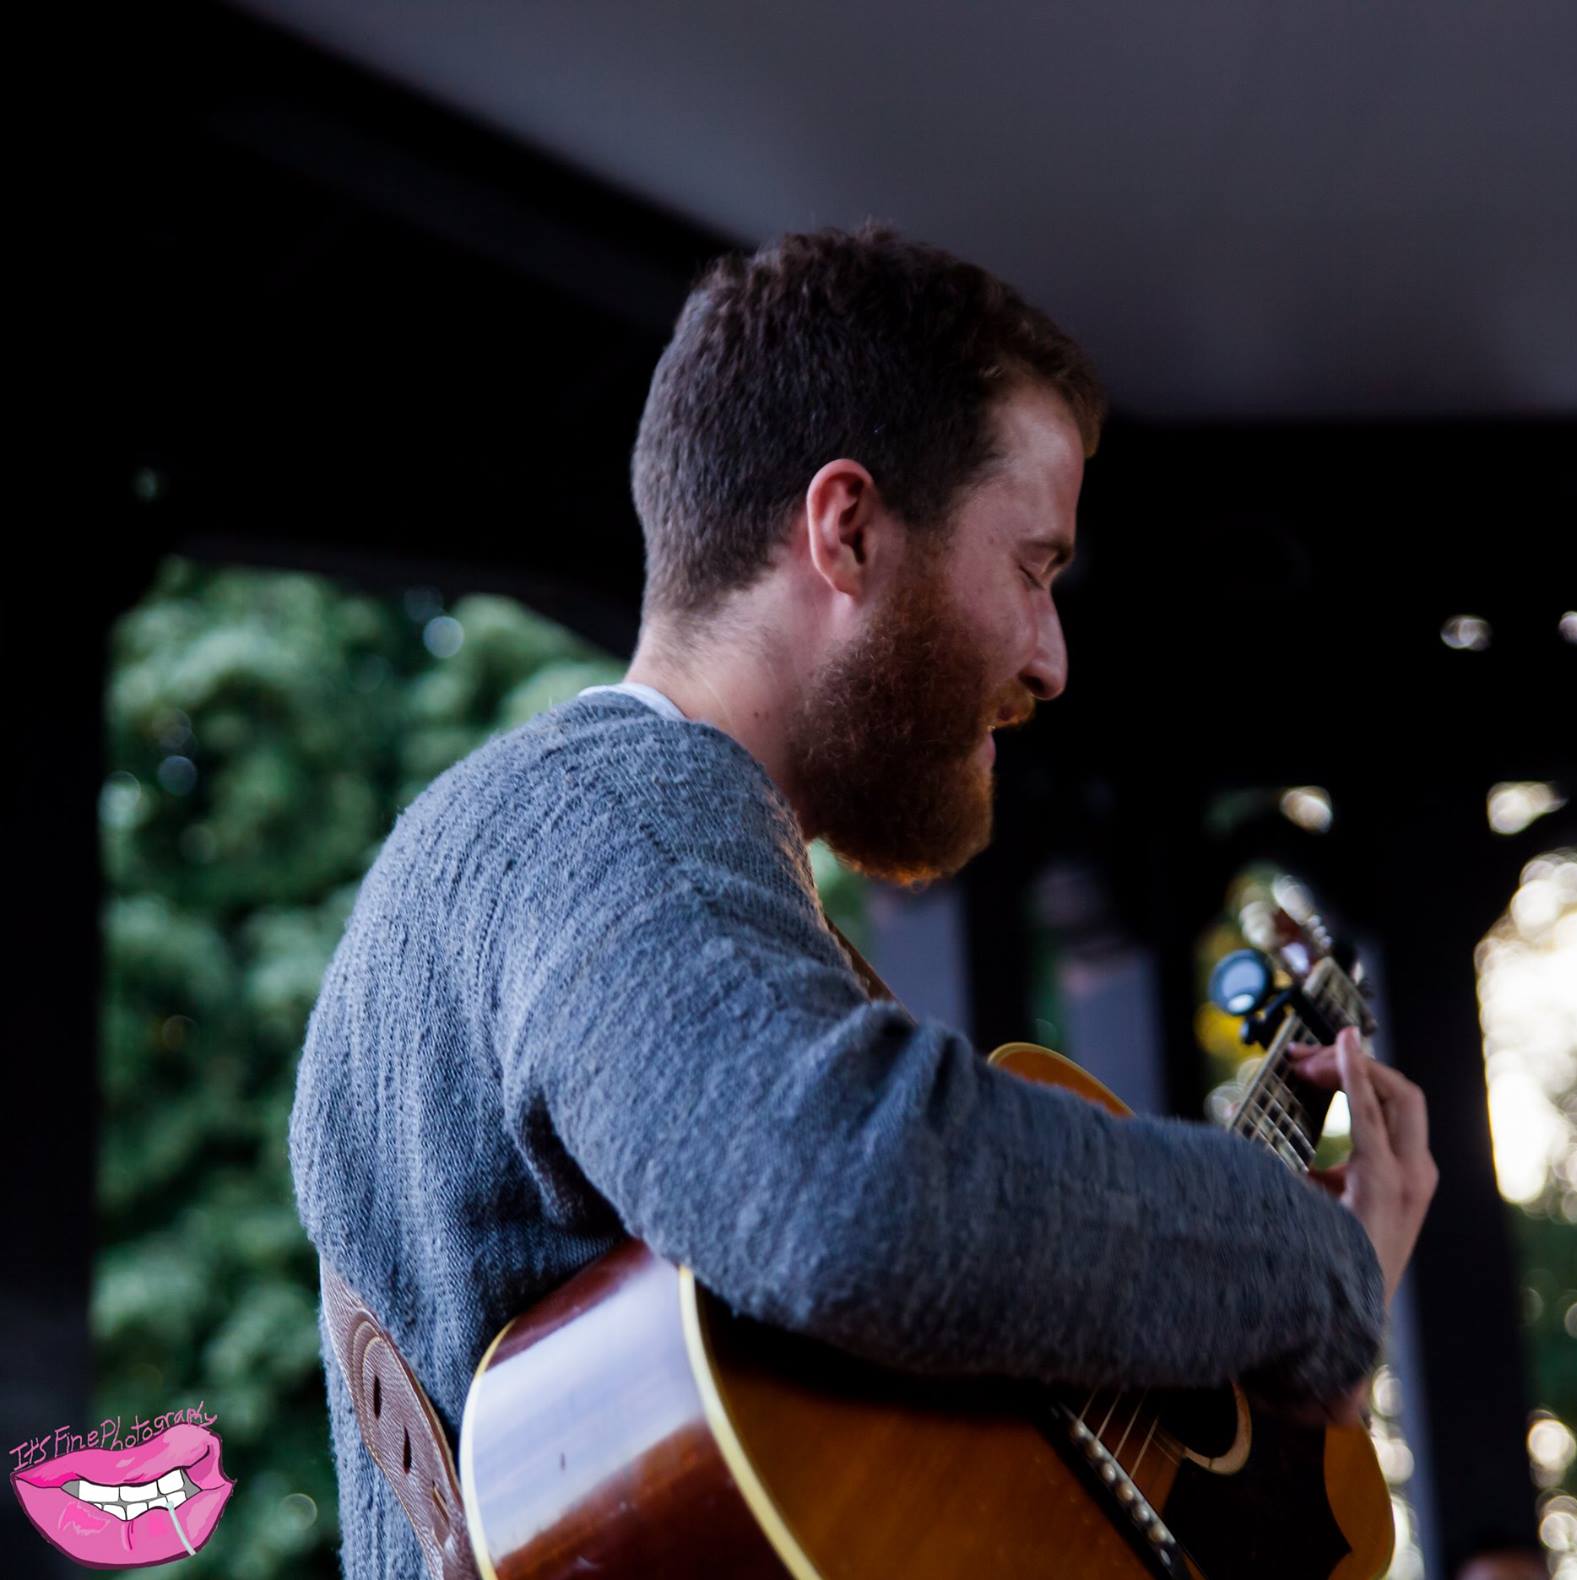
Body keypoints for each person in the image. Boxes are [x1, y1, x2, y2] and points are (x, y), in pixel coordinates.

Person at [288, 221, 1439, 1578]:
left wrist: (1268, 1381)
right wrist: (1297, 1264)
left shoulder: (639, 867)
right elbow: (846, 1190)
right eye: (1034, 566)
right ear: (846, 531)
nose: (1052, 658)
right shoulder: (603, 816)